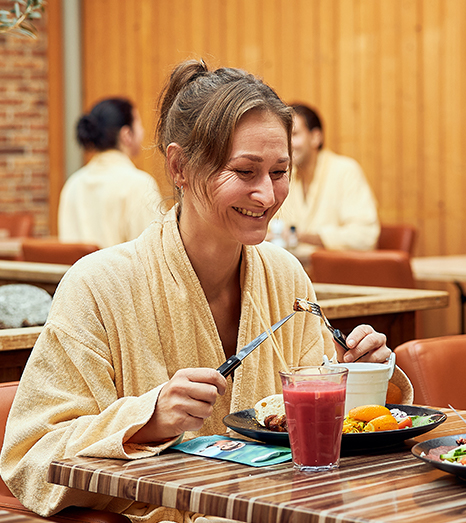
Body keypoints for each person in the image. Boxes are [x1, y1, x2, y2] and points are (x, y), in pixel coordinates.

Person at [0, 60, 398, 523]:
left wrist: (353, 377)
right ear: (180, 166)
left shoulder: (286, 276)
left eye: (279, 171)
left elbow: (316, 439)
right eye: (246, 171)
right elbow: (29, 458)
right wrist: (146, 420)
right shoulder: (98, 285)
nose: (268, 196)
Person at [59, 97, 162, 248]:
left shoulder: (73, 185)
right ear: (126, 135)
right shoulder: (139, 185)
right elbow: (155, 251)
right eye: (138, 124)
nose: (143, 131)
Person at [275, 103, 380, 250]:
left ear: (315, 137)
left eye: (294, 135)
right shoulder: (282, 176)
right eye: (284, 136)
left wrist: (301, 236)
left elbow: (364, 236)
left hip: (337, 270)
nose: (287, 144)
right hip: (292, 270)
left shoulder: (345, 171)